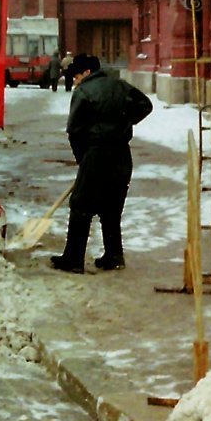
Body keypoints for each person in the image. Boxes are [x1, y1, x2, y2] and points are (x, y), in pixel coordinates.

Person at [50, 53, 152, 274]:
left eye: (76, 75)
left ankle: (74, 259)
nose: (75, 80)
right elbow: (146, 105)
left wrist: (83, 159)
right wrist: (124, 120)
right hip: (122, 155)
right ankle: (114, 256)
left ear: (86, 72)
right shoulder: (120, 86)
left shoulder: (84, 92)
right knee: (112, 207)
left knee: (80, 206)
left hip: (96, 155)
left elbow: (74, 131)